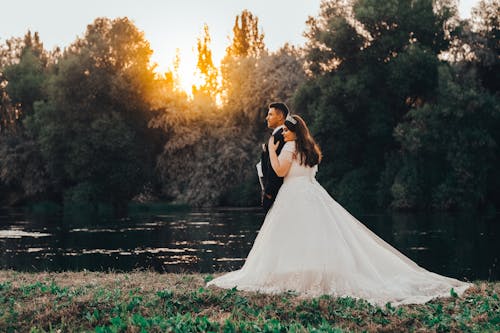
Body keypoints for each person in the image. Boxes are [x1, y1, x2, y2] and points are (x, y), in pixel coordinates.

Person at [207, 114, 471, 306]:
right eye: (283, 131)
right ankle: (313, 271)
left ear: (293, 132)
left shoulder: (287, 146)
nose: (283, 133)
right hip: (312, 193)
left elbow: (279, 171)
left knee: (290, 237)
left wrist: (272, 151)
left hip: (295, 195)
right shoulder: (310, 149)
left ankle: (295, 272)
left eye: (286, 130)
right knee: (316, 236)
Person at [257, 102, 288, 212]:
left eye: (270, 114)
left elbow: (275, 167)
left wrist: (269, 193)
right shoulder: (280, 134)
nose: (267, 118)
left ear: (280, 116)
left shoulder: (279, 136)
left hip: (275, 192)